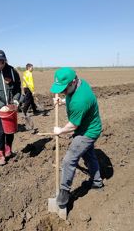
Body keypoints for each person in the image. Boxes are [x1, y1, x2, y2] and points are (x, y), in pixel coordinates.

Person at [50, 67, 103, 207]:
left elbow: (73, 125)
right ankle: (97, 182)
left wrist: (59, 131)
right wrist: (62, 101)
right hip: (87, 125)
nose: (62, 92)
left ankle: (64, 191)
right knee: (88, 154)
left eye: (64, 89)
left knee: (69, 159)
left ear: (73, 82)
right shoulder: (78, 83)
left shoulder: (80, 100)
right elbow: (70, 95)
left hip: (88, 131)